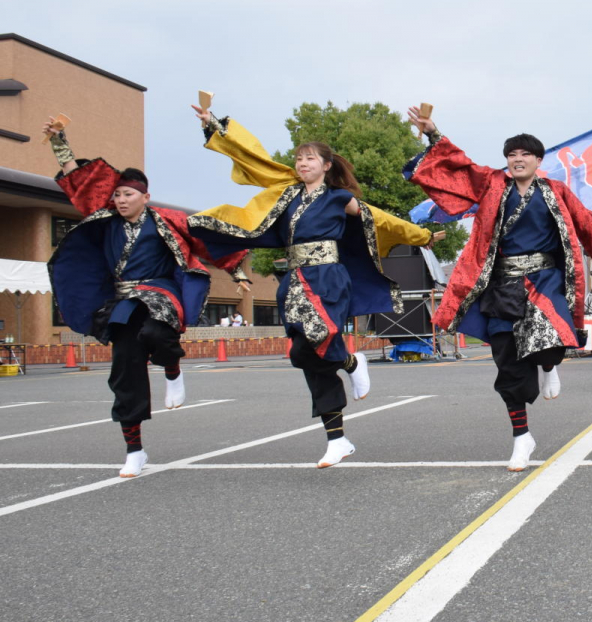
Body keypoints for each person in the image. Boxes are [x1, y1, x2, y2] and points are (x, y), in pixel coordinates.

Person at [188, 104, 441, 469]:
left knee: (321, 336)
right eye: (298, 158)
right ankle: (338, 433)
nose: (302, 163)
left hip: (328, 278)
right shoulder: (286, 194)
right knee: (304, 356)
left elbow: (380, 219)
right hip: (294, 281)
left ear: (326, 165)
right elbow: (254, 160)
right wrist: (215, 127)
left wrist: (421, 235)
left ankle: (350, 365)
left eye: (309, 158)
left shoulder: (339, 198)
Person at [404, 105, 592, 472]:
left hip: (545, 281)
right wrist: (433, 134)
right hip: (503, 284)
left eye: (525, 154)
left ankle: (549, 364)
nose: (518, 159)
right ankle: (522, 437)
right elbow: (460, 168)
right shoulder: (493, 185)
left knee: (551, 340)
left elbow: (585, 222)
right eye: (512, 155)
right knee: (507, 360)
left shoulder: (556, 191)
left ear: (538, 160)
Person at [45, 120, 249, 478]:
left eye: (128, 194)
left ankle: (172, 370)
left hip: (160, 292)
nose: (121, 200)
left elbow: (207, 240)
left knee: (156, 333)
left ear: (145, 196)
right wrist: (59, 142)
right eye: (117, 195)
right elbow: (80, 182)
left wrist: (237, 271)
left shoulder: (166, 220)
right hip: (124, 301)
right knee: (125, 372)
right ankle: (135, 450)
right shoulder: (106, 219)